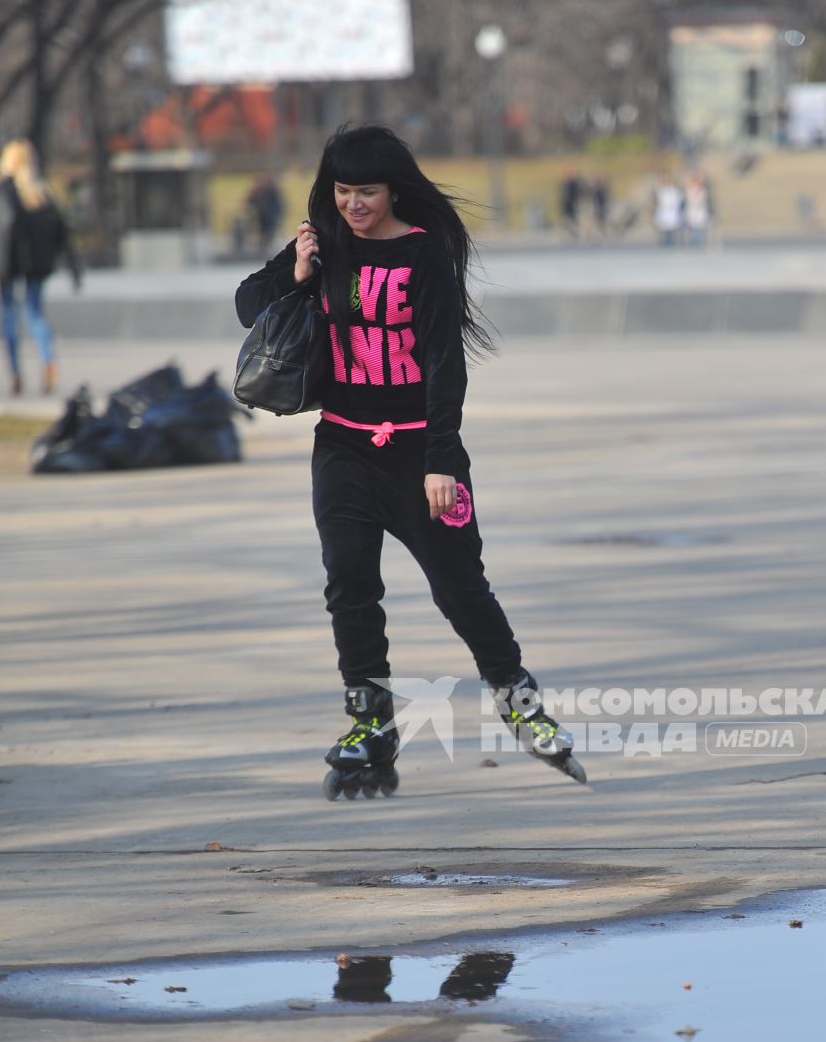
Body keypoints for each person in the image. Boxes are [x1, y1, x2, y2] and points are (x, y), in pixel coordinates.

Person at [235, 124, 584, 798]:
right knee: (349, 585)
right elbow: (249, 305)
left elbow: (442, 366)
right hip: (342, 445)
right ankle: (369, 722)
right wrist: (298, 272)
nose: (353, 204)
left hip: (421, 453)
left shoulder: (425, 256)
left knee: (460, 589)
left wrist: (441, 461)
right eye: (342, 191)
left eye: (366, 191)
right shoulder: (324, 240)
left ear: (394, 189)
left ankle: (517, 699)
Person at [0, 138, 81, 396]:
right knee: (35, 313)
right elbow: (62, 233)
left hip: (8, 267)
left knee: (9, 317)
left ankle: (16, 373)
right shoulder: (41, 192)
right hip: (37, 268)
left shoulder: (2, 192)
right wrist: (73, 268)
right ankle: (48, 360)